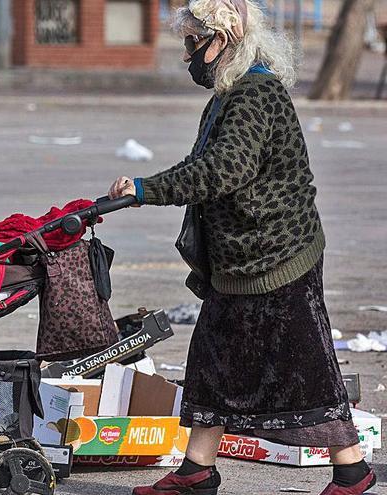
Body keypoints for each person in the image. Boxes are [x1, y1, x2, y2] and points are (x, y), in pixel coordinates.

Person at [107, 0, 374, 494]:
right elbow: (207, 165)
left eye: (194, 43)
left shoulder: (256, 95)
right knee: (213, 357)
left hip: (278, 257)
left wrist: (147, 189)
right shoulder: (230, 95)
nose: (189, 55)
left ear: (223, 41)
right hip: (242, 259)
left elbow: (221, 171)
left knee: (306, 364)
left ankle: (352, 470)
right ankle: (197, 469)